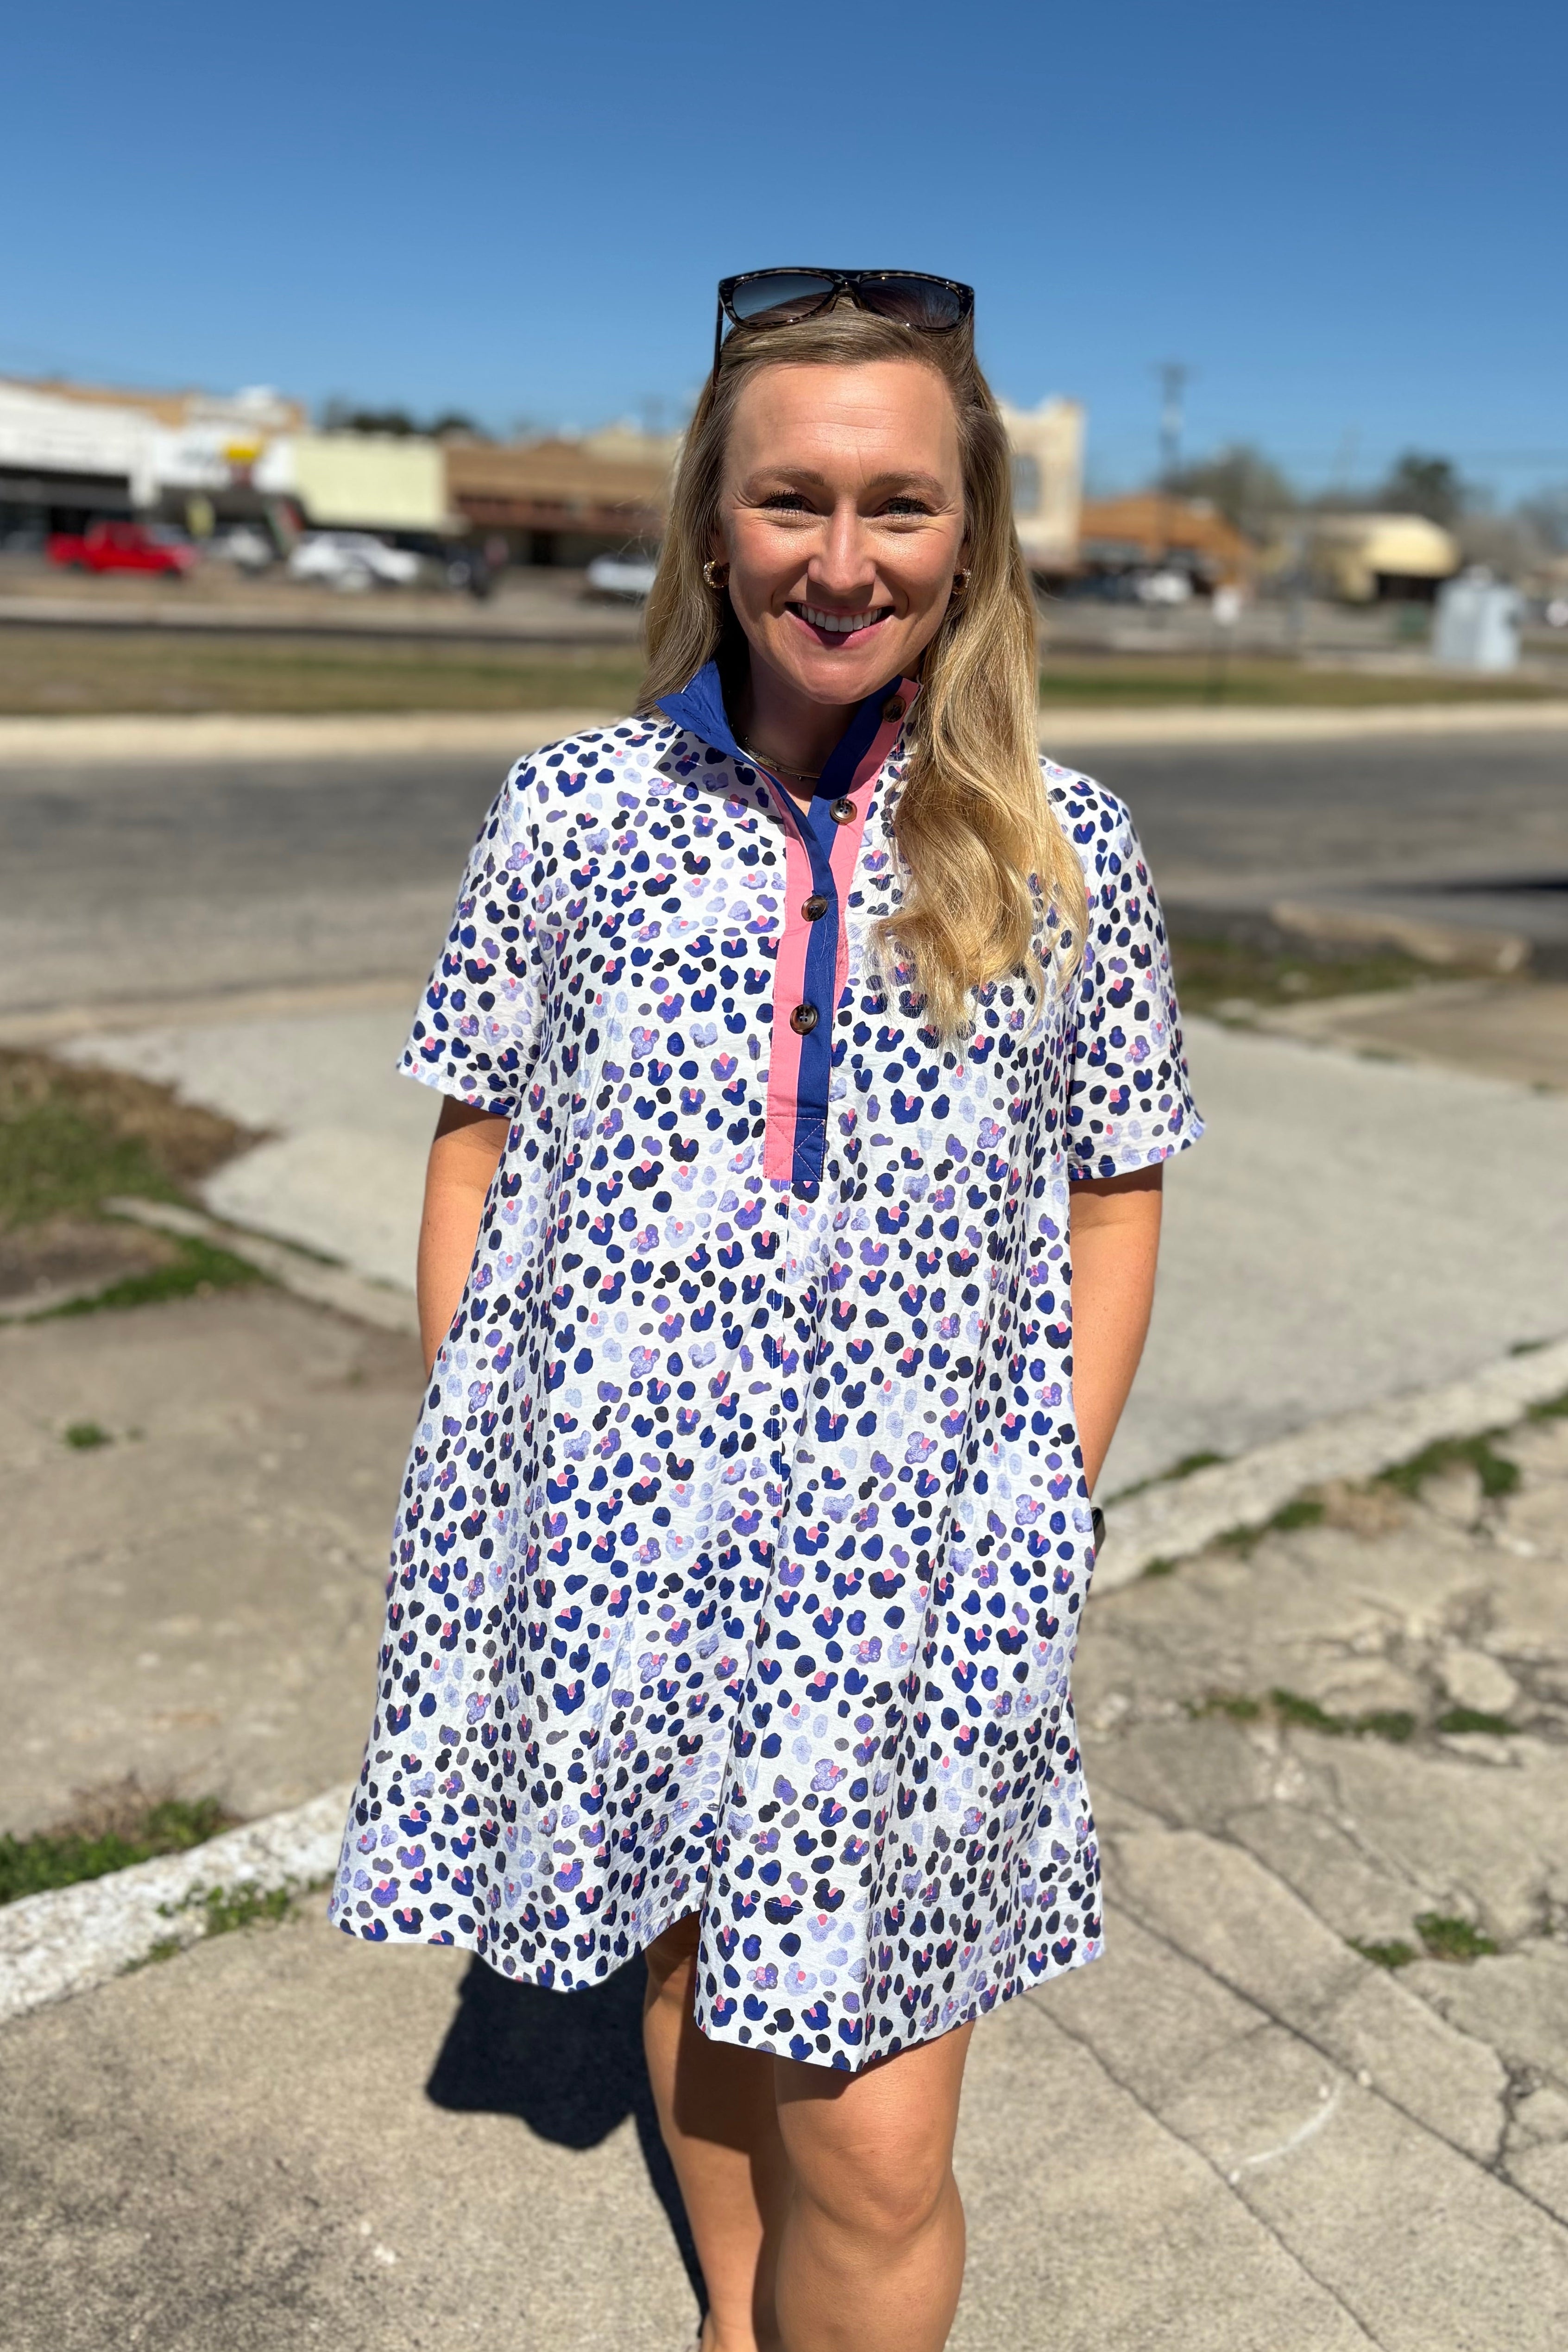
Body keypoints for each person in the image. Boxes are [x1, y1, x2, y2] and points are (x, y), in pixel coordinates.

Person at [330, 265, 1201, 2352]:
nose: (841, 559)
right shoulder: (570, 816)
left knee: (879, 2141)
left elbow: (1116, 1201)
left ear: (970, 528)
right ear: (710, 526)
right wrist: (505, 1470)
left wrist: (1033, 1509)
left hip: (911, 1599)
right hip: (614, 1563)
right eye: (789, 500)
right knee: (680, 1960)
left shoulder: (1065, 853)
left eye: (896, 503)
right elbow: (476, 1154)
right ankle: (738, 2322)